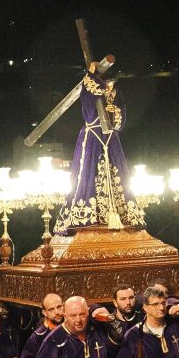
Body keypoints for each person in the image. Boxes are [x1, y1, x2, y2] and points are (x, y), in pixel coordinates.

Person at [55, 61, 144, 234]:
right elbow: (89, 101)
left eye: (112, 84)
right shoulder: (92, 89)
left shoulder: (117, 94)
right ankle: (88, 214)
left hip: (111, 138)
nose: (109, 87)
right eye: (107, 83)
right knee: (89, 172)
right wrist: (90, 73)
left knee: (116, 172)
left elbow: (120, 123)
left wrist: (114, 111)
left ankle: (119, 213)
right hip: (92, 137)